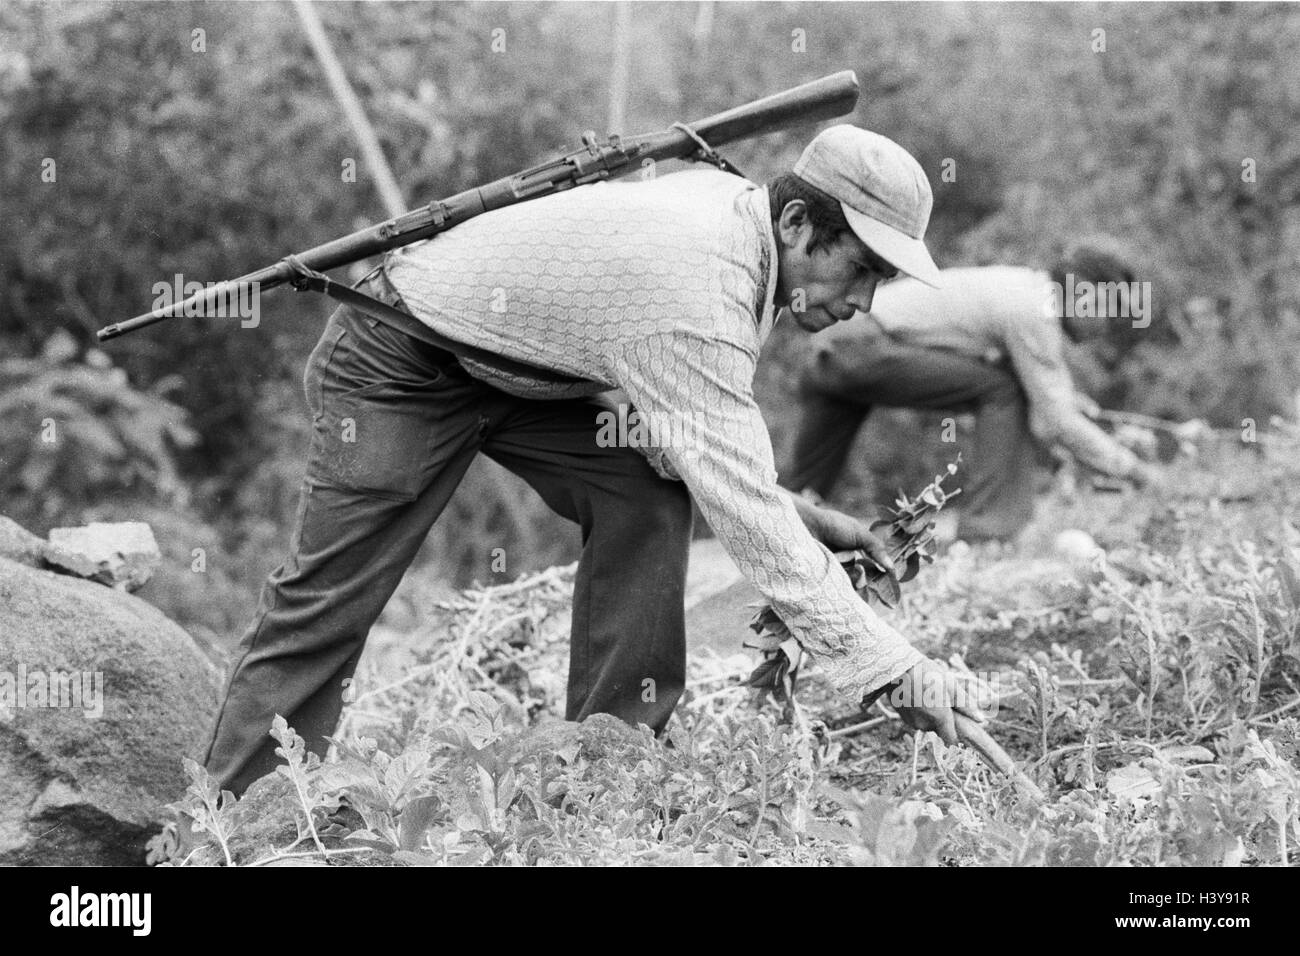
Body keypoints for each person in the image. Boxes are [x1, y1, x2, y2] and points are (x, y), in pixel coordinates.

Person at [200, 125, 981, 798]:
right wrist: (893, 667)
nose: (866, 304)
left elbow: (688, 458)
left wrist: (812, 521)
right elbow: (740, 502)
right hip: (401, 355)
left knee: (640, 488)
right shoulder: (699, 294)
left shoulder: (743, 224)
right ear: (801, 222)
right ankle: (238, 819)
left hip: (523, 371)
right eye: (862, 271)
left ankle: (609, 757)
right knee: (331, 597)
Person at [783, 240, 1162, 543]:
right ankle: (988, 529)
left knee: (798, 499)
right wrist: (1134, 471)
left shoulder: (1024, 290)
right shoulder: (1033, 310)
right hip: (860, 350)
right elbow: (1056, 420)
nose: (1105, 327)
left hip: (833, 347)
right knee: (1004, 390)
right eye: (1107, 310)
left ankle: (779, 529)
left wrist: (1070, 409)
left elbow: (1050, 399)